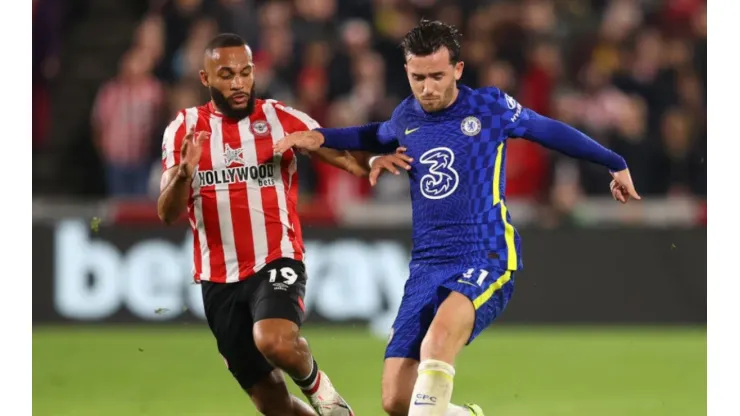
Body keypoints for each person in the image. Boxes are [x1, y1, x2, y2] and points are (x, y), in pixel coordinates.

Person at [273, 20, 640, 416]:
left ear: (458, 70)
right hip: (427, 265)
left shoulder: (490, 107)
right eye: (418, 77)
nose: (427, 88)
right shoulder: (406, 116)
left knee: (438, 342)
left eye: (436, 76)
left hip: (485, 254)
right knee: (397, 400)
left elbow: (548, 130)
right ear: (406, 72)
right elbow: (372, 133)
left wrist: (613, 162)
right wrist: (321, 137)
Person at [157, 33, 366, 416]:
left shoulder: (279, 118)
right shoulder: (184, 128)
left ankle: (326, 396)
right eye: (226, 74)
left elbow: (346, 157)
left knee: (276, 341)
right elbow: (167, 213)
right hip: (218, 279)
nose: (238, 83)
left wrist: (374, 164)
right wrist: (185, 172)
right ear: (206, 79)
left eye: (245, 72)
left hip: (276, 257)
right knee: (274, 405)